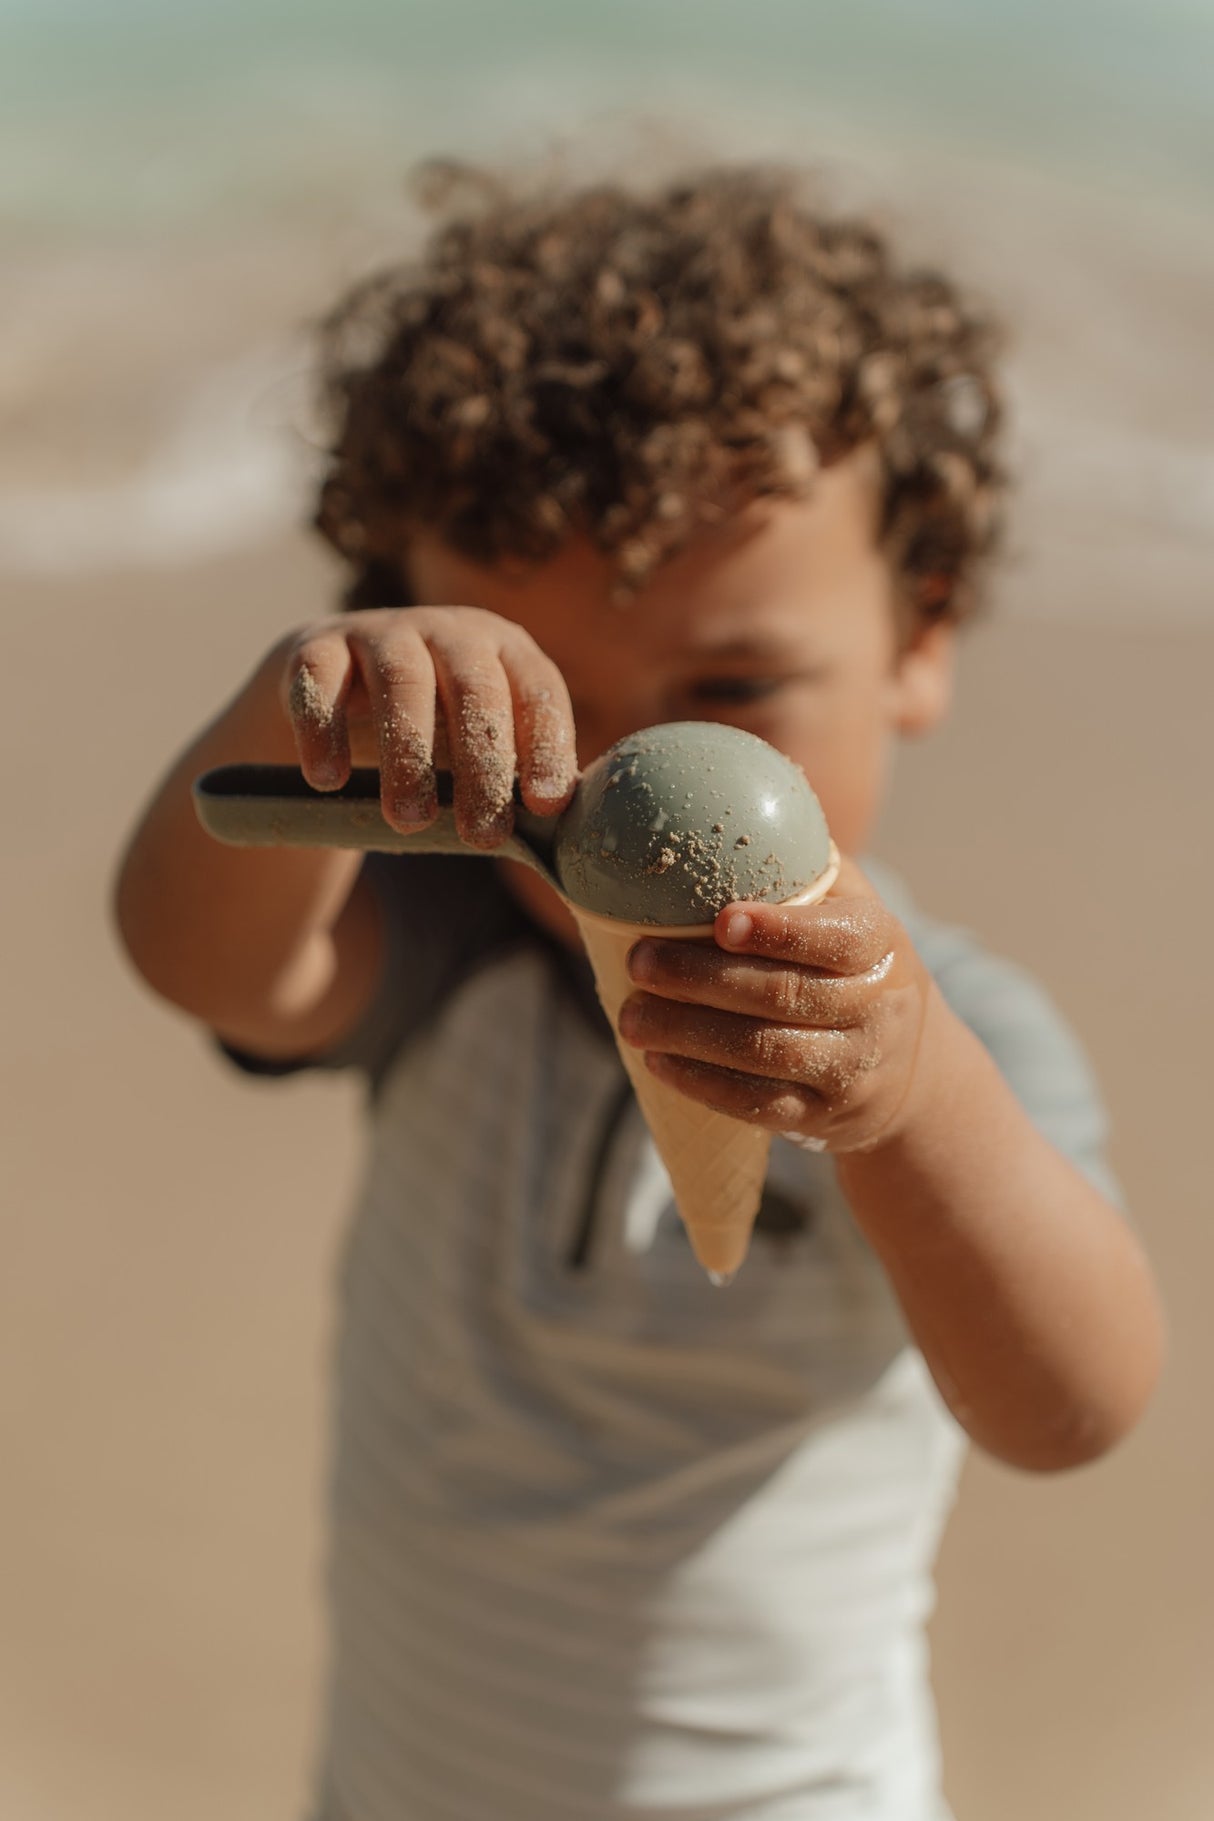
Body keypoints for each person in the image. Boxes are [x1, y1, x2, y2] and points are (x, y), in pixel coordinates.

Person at [114, 164, 1164, 1821]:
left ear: (918, 634)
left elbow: (1069, 1400)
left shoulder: (934, 1026)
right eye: (537, 710)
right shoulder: (442, 949)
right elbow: (203, 953)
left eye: (732, 687)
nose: (622, 788)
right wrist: (296, 709)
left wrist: (907, 1099)